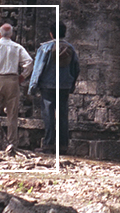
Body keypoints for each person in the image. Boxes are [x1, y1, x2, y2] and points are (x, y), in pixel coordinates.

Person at [29, 24, 79, 154]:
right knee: (63, 115)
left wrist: (33, 86)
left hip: (48, 85)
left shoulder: (45, 48)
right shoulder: (70, 48)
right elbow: (76, 68)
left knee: (49, 115)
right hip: (64, 86)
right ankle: (63, 145)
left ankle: (49, 144)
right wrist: (72, 84)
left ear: (51, 33)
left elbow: (38, 68)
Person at [0, 23, 33, 146]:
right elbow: (29, 61)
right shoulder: (17, 47)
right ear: (11, 34)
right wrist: (23, 76)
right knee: (12, 113)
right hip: (12, 79)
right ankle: (11, 142)